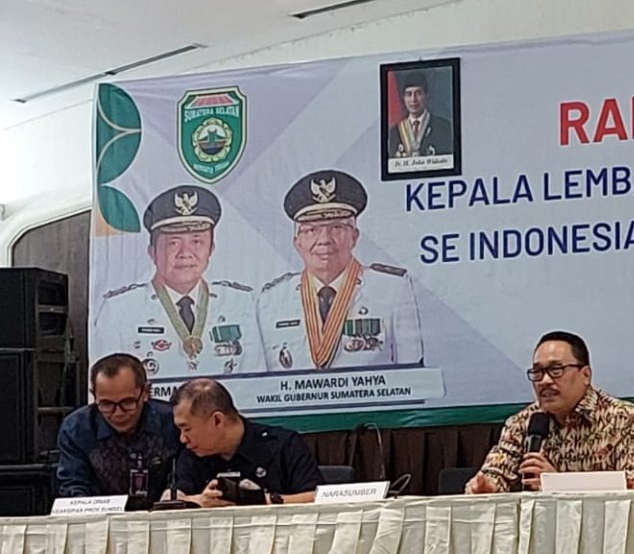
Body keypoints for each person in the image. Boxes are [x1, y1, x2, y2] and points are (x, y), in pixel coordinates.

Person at [257, 169, 424, 371]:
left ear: (354, 236)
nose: (324, 240)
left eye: (337, 227)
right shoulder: (271, 299)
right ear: (297, 242)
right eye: (311, 230)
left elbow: (412, 375)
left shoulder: (392, 290)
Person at [93, 186, 261, 379]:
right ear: (152, 252)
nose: (185, 253)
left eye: (196, 242)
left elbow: (256, 378)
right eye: (173, 243)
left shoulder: (240, 303)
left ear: (211, 249)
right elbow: (108, 383)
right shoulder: (119, 310)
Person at [466, 331, 634, 492]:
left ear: (586, 375)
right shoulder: (523, 423)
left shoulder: (625, 418)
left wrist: (558, 484)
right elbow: (496, 472)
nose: (545, 381)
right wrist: (485, 487)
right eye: (538, 372)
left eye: (556, 370)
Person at [166, 378, 320, 506]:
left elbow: (318, 497)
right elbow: (169, 499)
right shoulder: (192, 453)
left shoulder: (283, 445)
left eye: (187, 429)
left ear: (217, 420)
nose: (182, 439)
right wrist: (199, 501)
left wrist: (263, 501)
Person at [54, 354, 182, 507]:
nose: (118, 413)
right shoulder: (76, 429)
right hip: (100, 516)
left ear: (145, 392)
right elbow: (73, 485)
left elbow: (189, 473)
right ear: (94, 395)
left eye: (127, 402)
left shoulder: (174, 422)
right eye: (106, 404)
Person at [387, 72, 455, 159]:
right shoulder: (394, 132)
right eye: (409, 94)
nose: (413, 99)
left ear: (426, 95)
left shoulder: (443, 127)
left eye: (418, 93)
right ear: (403, 98)